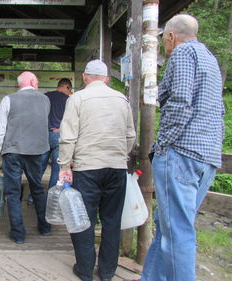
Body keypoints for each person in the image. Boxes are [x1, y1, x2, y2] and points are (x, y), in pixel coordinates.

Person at [140, 14, 224, 281]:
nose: (165, 46)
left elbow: (179, 102)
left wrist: (163, 145)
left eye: (164, 40)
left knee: (176, 232)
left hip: (182, 155)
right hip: (207, 156)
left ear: (171, 37)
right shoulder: (209, 58)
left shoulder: (183, 53)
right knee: (169, 229)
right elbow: (218, 108)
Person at [58, 59, 136, 281]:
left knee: (83, 219)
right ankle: (108, 271)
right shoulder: (122, 99)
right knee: (112, 220)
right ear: (107, 79)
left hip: (87, 168)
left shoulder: (77, 99)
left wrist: (65, 165)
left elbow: (68, 136)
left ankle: (84, 270)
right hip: (116, 168)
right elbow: (130, 135)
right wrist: (120, 155)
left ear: (84, 77)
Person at [0, 71, 52, 244]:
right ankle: (44, 227)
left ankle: (18, 234)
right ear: (31, 81)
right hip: (36, 152)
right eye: (37, 81)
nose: (38, 84)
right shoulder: (45, 100)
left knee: (13, 193)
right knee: (37, 188)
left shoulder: (8, 100)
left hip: (12, 151)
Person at [28, 78, 73, 205]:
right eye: (70, 90)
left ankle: (33, 197)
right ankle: (51, 199)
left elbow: (35, 116)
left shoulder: (44, 97)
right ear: (67, 87)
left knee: (39, 167)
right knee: (56, 169)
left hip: (43, 136)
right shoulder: (67, 100)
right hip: (58, 136)